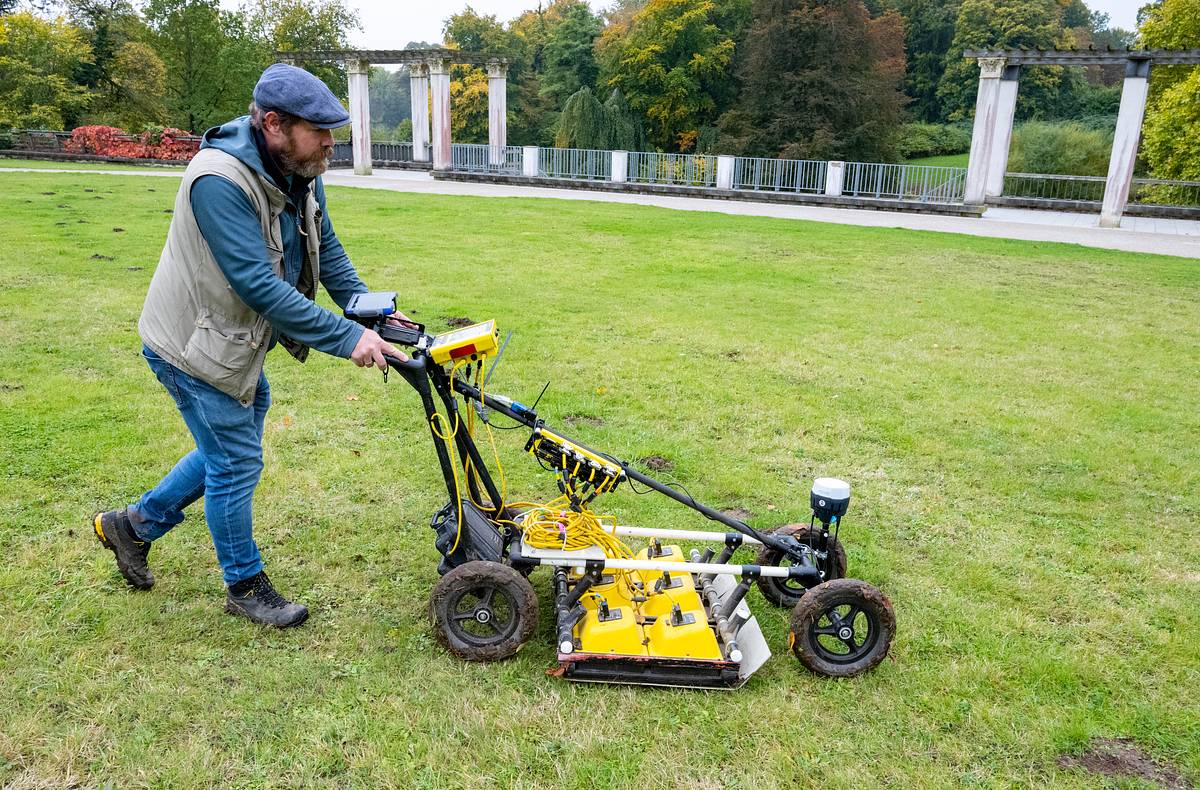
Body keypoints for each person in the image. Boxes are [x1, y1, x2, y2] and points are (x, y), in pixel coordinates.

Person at [93, 63, 407, 627]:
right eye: (320, 131)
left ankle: (134, 526)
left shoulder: (299, 166)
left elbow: (325, 248)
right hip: (190, 345)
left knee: (224, 450)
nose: (331, 144)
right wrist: (347, 338)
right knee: (235, 462)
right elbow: (258, 286)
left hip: (230, 339)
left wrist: (372, 312)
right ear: (273, 123)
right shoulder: (218, 180)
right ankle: (244, 587)